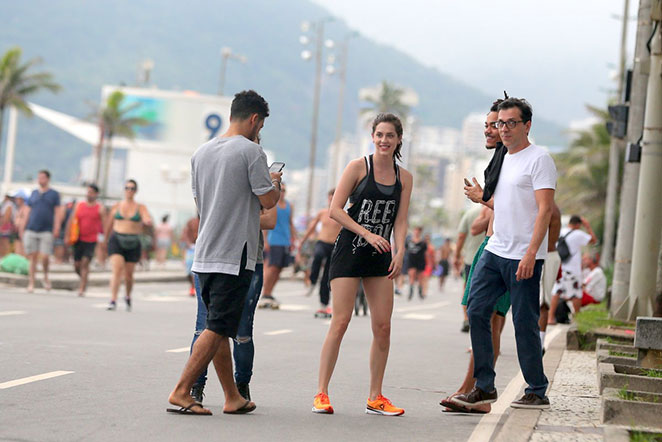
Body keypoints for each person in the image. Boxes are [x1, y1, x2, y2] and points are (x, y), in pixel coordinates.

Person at [167, 89, 280, 416]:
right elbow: (268, 201)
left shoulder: (201, 153)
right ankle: (181, 390)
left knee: (220, 323)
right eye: (260, 126)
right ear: (255, 120)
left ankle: (232, 396)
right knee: (217, 327)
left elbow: (201, 204)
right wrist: (275, 182)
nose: (259, 133)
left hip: (205, 252)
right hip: (236, 254)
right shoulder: (251, 152)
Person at [452, 97, 556, 410]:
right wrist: (482, 197)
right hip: (495, 250)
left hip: (523, 257)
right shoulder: (504, 159)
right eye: (501, 123)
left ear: (527, 125)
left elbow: (545, 210)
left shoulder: (539, 159)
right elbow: (507, 205)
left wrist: (531, 253)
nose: (504, 129)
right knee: (476, 311)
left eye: (511, 123)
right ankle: (484, 387)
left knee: (524, 323)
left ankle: (537, 389)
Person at [313, 113, 413, 416]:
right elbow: (335, 210)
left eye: (390, 136)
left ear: (398, 140)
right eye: (379, 134)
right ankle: (321, 393)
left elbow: (401, 219)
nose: (384, 140)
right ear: (373, 136)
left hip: (381, 255)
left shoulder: (404, 177)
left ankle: (375, 396)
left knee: (383, 326)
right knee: (340, 322)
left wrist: (400, 251)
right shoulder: (358, 167)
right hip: (350, 251)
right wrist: (367, 233)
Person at [104, 179, 152, 311]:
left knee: (129, 275)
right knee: (117, 269)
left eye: (132, 188)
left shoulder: (140, 207)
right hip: (117, 239)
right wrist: (104, 241)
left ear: (135, 191)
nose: (129, 191)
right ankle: (113, 299)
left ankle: (128, 295)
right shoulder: (116, 206)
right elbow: (108, 224)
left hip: (133, 241)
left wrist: (147, 221)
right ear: (124, 190)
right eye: (127, 188)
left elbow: (146, 217)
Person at [298, 189, 342, 317]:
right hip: (322, 242)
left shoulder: (341, 214)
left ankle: (324, 304)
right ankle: (312, 282)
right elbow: (311, 228)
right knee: (317, 256)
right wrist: (302, 241)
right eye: (330, 197)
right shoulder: (322, 213)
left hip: (334, 246)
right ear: (328, 198)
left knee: (327, 277)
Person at [549, 215, 597, 321]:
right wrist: (587, 226)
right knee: (576, 293)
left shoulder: (561, 231)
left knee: (557, 291)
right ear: (578, 225)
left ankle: (550, 317)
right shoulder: (578, 234)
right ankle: (577, 319)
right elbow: (593, 240)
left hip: (560, 268)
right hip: (573, 269)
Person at [24, 170, 63, 292]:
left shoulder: (54, 194)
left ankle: (45, 276)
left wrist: (56, 227)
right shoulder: (34, 193)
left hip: (47, 229)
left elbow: (57, 212)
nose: (40, 180)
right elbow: (27, 211)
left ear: (47, 179)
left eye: (42, 177)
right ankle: (31, 282)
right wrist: (23, 226)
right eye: (39, 177)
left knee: (45, 256)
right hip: (32, 227)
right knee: (33, 257)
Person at [259, 182, 296, 309]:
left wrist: (293, 240)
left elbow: (290, 224)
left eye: (285, 190)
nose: (283, 193)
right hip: (274, 240)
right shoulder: (272, 205)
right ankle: (265, 293)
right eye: (281, 190)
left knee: (279, 268)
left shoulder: (289, 206)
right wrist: (266, 241)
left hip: (285, 241)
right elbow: (266, 223)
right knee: (272, 267)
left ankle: (270, 293)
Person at [65, 184, 106, 297]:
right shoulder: (79, 206)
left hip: (91, 240)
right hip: (78, 238)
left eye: (91, 192)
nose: (89, 194)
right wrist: (67, 235)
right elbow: (71, 220)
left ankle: (82, 287)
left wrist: (104, 240)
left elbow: (105, 225)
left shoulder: (100, 208)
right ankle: (84, 278)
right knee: (77, 265)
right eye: (88, 192)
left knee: (85, 263)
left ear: (96, 194)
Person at [455, 206, 485, 332]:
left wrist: (456, 256)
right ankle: (481, 319)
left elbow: (461, 236)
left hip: (471, 258)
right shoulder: (496, 209)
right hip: (489, 257)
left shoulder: (470, 213)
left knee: (467, 288)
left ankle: (467, 318)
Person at [181, 215, 200, 296]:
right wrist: (189, 244)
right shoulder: (191, 221)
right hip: (191, 249)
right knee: (189, 270)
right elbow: (185, 234)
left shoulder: (206, 220)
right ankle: (192, 286)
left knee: (196, 271)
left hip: (201, 248)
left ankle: (194, 287)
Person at [406, 226, 427, 301]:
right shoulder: (409, 241)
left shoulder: (423, 242)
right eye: (415, 231)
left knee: (420, 277)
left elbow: (425, 252)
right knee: (411, 275)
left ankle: (420, 292)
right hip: (411, 260)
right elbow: (405, 249)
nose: (416, 232)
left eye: (418, 231)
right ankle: (411, 292)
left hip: (420, 261)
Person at [12, 189, 30, 256]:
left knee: (23, 250)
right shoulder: (19, 208)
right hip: (18, 231)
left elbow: (24, 221)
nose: (16, 200)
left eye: (17, 199)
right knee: (17, 249)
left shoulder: (26, 208)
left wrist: (21, 231)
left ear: (22, 199)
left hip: (22, 231)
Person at [1, 193, 16, 257]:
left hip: (5, 226)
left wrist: (2, 225)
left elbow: (6, 218)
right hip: (5, 225)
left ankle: (5, 258)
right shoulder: (6, 204)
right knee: (3, 243)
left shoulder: (9, 204)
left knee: (5, 243)